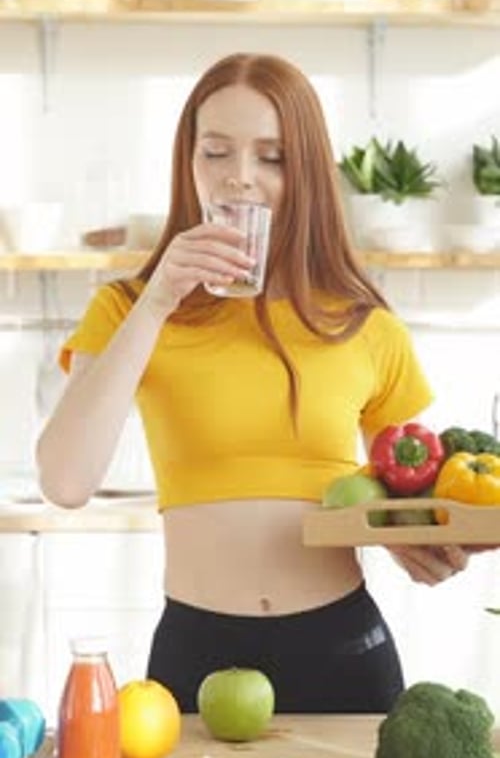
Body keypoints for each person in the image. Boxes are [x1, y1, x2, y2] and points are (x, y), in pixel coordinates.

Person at [36, 52, 472, 715]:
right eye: (216, 152)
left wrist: (430, 547)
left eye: (272, 157)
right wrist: (159, 301)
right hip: (194, 651)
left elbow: (408, 501)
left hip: (343, 651)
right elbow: (65, 483)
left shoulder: (363, 323)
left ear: (307, 175)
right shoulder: (129, 308)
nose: (239, 178)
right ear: (189, 161)